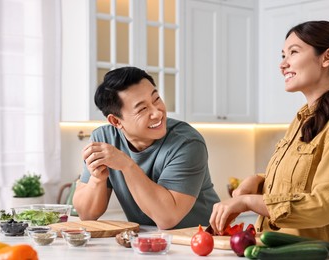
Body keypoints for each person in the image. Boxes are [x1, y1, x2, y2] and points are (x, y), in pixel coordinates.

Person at [209, 20, 329, 249]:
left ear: (327, 57)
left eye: (293, 52)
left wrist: (248, 202)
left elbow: (323, 206)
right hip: (273, 250)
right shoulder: (302, 119)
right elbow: (296, 182)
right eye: (283, 55)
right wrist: (258, 181)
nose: (283, 64)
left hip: (310, 254)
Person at [73, 66, 220, 230]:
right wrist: (97, 179)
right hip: (149, 238)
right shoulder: (104, 139)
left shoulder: (187, 143)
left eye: (156, 99)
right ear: (116, 121)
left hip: (201, 239)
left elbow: (167, 217)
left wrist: (126, 165)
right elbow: (86, 215)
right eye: (142, 109)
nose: (157, 113)